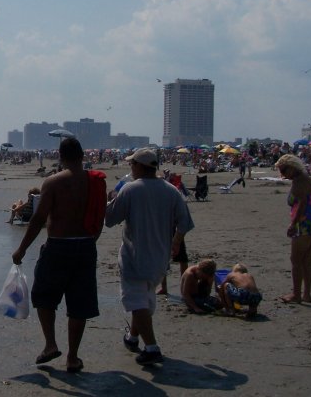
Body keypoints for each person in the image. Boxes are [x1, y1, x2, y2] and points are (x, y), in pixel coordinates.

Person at [11, 138, 105, 374]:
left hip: (58, 246)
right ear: (82, 155)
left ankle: (51, 344)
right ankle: (72, 357)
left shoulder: (53, 182)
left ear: (60, 156)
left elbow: (39, 218)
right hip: (86, 246)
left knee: (43, 295)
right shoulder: (95, 181)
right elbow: (100, 215)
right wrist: (90, 241)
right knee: (79, 304)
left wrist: (22, 249)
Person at [105, 147, 194, 365]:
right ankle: (133, 337)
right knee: (144, 298)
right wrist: (176, 242)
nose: (130, 167)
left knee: (136, 301)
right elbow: (184, 223)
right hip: (160, 257)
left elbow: (110, 219)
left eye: (132, 164)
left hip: (135, 256)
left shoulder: (130, 189)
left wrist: (111, 199)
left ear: (139, 166)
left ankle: (152, 348)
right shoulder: (171, 190)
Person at [275, 154, 311, 304]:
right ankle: (306, 294)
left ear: (292, 168)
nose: (282, 174)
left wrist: (293, 224)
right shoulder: (307, 179)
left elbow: (302, 204)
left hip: (304, 222)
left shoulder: (299, 182)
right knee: (307, 260)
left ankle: (296, 295)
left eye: (284, 170)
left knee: (296, 260)